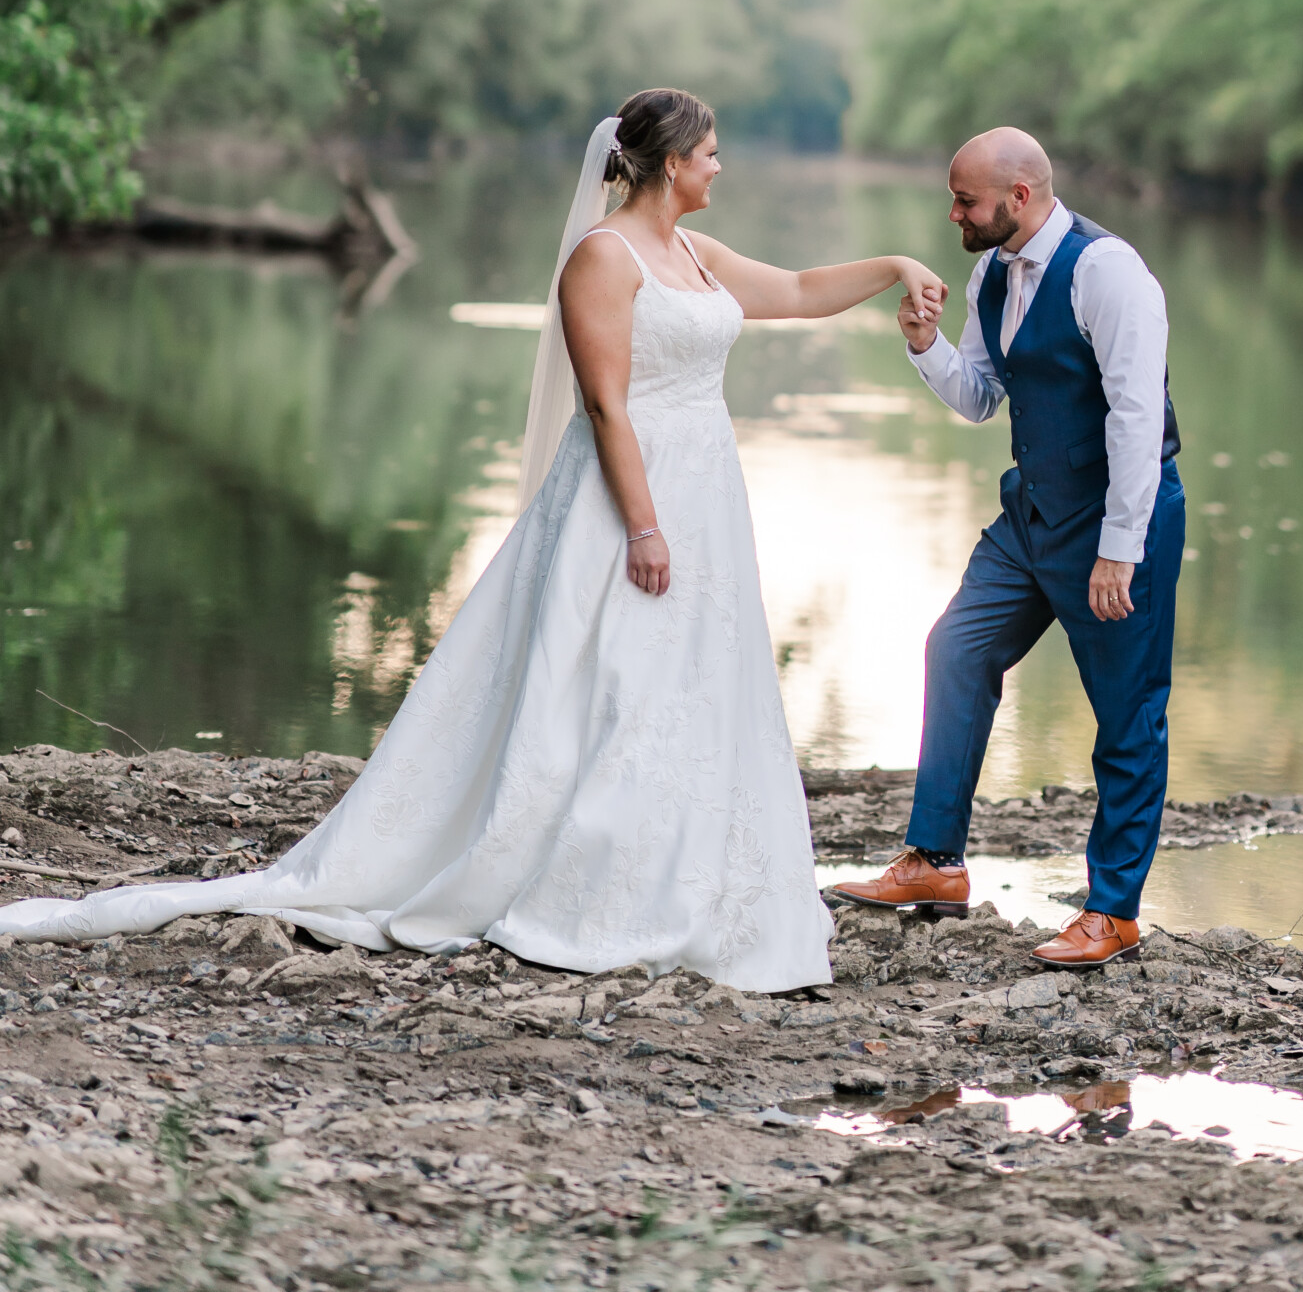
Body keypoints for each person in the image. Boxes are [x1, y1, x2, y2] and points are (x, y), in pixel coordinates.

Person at [0, 90, 946, 991]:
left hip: (709, 490)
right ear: (665, 163)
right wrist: (643, 524)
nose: (719, 166)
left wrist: (896, 268)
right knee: (607, 675)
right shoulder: (602, 258)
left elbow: (794, 288)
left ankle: (683, 870)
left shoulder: (695, 253)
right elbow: (608, 404)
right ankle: (579, 875)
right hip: (630, 493)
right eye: (708, 153)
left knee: (689, 678)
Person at [827, 127, 1182, 967]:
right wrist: (924, 346)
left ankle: (1113, 913)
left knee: (1127, 717)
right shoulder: (992, 272)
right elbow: (982, 397)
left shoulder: (1109, 273)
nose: (952, 214)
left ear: (1018, 198)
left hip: (1111, 521)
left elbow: (1136, 418)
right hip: (1029, 518)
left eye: (965, 200)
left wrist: (1119, 549)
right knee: (955, 647)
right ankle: (936, 863)